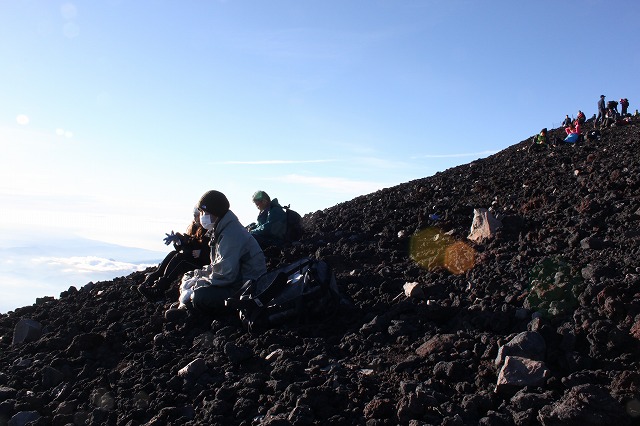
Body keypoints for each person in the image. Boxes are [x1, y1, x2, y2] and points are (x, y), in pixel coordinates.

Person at [169, 190, 267, 317]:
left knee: (200, 295)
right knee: (190, 277)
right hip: (236, 282)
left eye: (205, 212)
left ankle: (190, 313)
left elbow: (225, 275)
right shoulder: (222, 231)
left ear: (216, 212)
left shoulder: (231, 235)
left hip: (247, 289)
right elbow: (218, 266)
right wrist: (197, 275)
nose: (202, 216)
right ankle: (187, 305)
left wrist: (197, 285)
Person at [138, 207, 211, 300]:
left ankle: (159, 288)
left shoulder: (208, 230)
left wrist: (202, 252)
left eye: (198, 215)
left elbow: (212, 250)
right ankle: (148, 283)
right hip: (194, 259)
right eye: (194, 215)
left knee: (181, 258)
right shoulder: (194, 228)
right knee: (174, 253)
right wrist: (178, 241)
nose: (195, 217)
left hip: (202, 263)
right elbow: (189, 246)